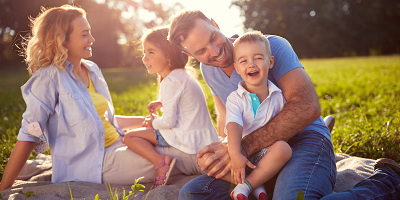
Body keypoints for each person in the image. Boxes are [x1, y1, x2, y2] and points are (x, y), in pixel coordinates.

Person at [168, 9, 400, 200]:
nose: (215, 51)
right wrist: (221, 152)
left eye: (212, 38)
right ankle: (263, 187)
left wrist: (243, 147)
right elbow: (228, 114)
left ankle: (387, 181)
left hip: (303, 139)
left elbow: (306, 107)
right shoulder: (208, 70)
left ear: (214, 22)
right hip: (259, 154)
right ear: (187, 54)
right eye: (201, 51)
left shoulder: (271, 46)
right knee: (192, 193)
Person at [0, 5, 212, 192]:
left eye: (90, 33)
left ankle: (221, 158)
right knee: (178, 155)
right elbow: (29, 134)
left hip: (119, 145)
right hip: (95, 162)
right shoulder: (47, 79)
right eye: (84, 34)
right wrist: (4, 188)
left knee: (176, 143)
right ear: (62, 40)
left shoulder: (91, 70)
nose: (92, 39)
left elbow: (105, 122)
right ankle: (222, 164)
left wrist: (146, 123)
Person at [123, 26, 218, 187]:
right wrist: (162, 102)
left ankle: (160, 162)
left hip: (186, 139)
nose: (144, 58)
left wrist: (152, 123)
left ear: (168, 55)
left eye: (151, 52)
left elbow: (168, 123)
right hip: (204, 138)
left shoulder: (170, 81)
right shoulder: (183, 75)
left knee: (129, 137)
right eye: (144, 53)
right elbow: (183, 101)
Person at [219, 31, 292, 200]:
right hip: (240, 152)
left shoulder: (278, 96)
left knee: (284, 149)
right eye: (243, 61)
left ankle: (246, 185)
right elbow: (233, 125)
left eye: (258, 58)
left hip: (266, 155)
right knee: (206, 161)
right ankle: (257, 184)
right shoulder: (235, 98)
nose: (251, 64)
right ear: (237, 67)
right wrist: (236, 154)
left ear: (270, 61)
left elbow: (285, 128)